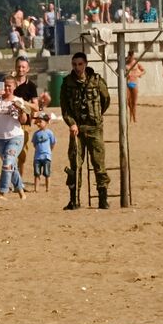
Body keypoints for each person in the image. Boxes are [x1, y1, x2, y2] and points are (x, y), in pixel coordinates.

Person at [60, 51, 112, 210]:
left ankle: (103, 199)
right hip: (77, 130)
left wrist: (96, 116)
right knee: (75, 164)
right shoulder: (67, 83)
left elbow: (106, 100)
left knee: (99, 164)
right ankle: (74, 200)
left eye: (80, 64)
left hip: (94, 128)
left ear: (86, 64)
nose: (77, 68)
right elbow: (65, 108)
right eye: (74, 65)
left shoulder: (97, 81)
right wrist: (71, 123)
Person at [0, 75, 30, 199]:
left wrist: (21, 110)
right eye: (5, 85)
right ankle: (20, 190)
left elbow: (23, 120)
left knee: (7, 162)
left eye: (10, 86)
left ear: (14, 87)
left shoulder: (18, 100)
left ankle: (2, 191)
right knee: (10, 165)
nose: (7, 88)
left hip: (15, 137)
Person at [31, 113, 56, 190]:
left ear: (46, 122)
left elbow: (53, 143)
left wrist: (49, 151)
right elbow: (34, 144)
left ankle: (47, 188)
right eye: (37, 122)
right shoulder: (36, 134)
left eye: (40, 121)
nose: (38, 123)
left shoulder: (49, 133)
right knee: (37, 173)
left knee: (47, 173)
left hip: (46, 156)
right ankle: (36, 189)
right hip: (37, 157)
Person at [125, 53, 145, 123]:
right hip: (127, 83)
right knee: (128, 101)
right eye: (130, 56)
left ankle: (134, 117)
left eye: (133, 56)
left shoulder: (136, 63)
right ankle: (130, 116)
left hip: (134, 82)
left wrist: (138, 74)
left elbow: (144, 70)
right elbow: (117, 70)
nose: (132, 58)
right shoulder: (125, 63)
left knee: (134, 102)